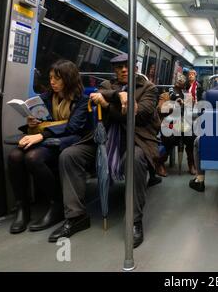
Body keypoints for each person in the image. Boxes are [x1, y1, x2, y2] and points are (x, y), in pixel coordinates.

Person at [48, 54, 161, 248]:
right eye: (119, 67)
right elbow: (95, 96)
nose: (123, 70)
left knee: (134, 159)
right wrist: (119, 96)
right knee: (69, 156)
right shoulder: (107, 84)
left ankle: (134, 221)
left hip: (136, 140)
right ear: (114, 71)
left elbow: (139, 115)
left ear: (135, 68)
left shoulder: (149, 88)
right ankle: (76, 216)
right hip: (103, 140)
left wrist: (108, 104)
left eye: (127, 66)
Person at [8, 60, 91, 234]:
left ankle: (57, 204)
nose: (52, 82)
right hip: (45, 139)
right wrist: (32, 123)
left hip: (65, 141)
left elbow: (73, 127)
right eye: (51, 78)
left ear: (68, 79)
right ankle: (23, 208)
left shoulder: (82, 100)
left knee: (32, 158)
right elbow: (42, 121)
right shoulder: (46, 97)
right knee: (15, 156)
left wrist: (41, 133)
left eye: (57, 78)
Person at [156, 73, 197, 176]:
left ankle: (191, 163)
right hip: (169, 124)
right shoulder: (165, 95)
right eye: (179, 81)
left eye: (183, 81)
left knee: (192, 137)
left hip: (184, 123)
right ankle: (160, 163)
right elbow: (160, 109)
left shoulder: (187, 96)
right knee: (169, 137)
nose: (180, 83)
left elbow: (191, 112)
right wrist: (174, 106)